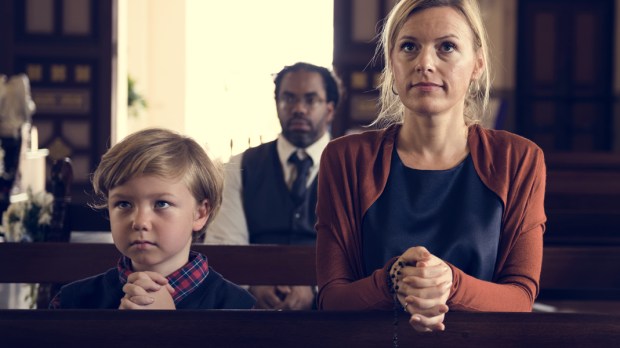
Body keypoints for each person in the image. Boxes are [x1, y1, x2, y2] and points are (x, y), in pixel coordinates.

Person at [315, 0, 546, 333]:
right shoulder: (345, 159)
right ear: (392, 62)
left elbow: (520, 298)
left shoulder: (519, 159)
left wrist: (449, 283)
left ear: (477, 64)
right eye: (409, 46)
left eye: (447, 47)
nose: (424, 63)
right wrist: (397, 278)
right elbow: (332, 298)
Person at [49, 128, 255, 309]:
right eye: (124, 204)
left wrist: (165, 330)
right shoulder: (71, 303)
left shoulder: (240, 309)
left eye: (161, 204)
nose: (139, 222)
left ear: (200, 213)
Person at [205, 62, 341, 310]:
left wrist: (314, 288)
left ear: (330, 109)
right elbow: (225, 244)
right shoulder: (240, 167)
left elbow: (359, 249)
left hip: (329, 311)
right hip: (251, 308)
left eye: (311, 100)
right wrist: (252, 285)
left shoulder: (351, 168)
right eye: (288, 99)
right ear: (277, 104)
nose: (298, 109)